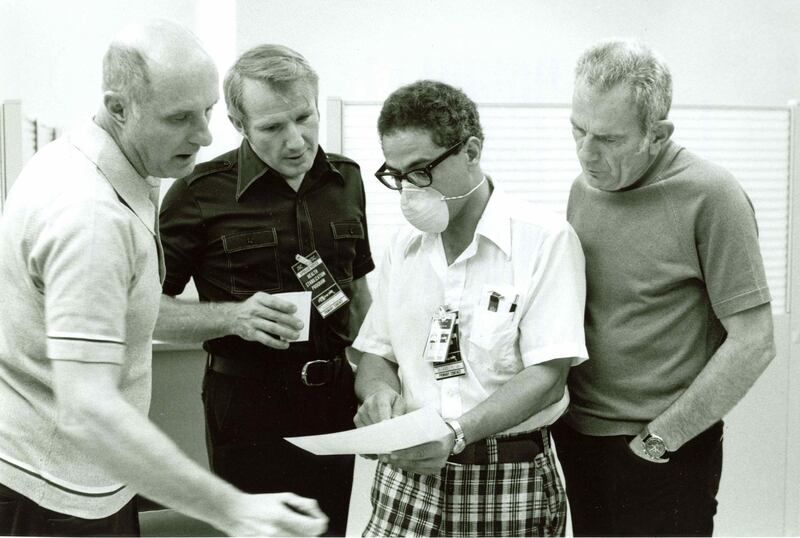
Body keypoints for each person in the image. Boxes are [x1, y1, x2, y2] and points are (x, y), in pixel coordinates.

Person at [0, 20, 327, 537]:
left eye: (207, 112)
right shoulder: (90, 215)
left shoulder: (102, 166)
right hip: (52, 488)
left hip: (89, 472)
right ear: (118, 108)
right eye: (179, 118)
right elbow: (87, 410)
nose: (203, 135)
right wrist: (232, 509)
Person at [551, 38, 776, 537]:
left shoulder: (713, 196)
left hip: (660, 448)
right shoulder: (582, 188)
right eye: (578, 129)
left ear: (657, 133)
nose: (587, 153)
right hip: (578, 438)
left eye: (608, 139)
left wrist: (660, 440)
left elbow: (755, 341)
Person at [351, 79, 588, 537]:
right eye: (396, 176)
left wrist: (456, 434)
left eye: (421, 171)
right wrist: (378, 396)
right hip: (407, 482)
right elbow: (376, 355)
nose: (408, 191)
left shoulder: (544, 240)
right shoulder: (404, 246)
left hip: (507, 480)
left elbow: (547, 376)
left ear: (472, 151)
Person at [156, 44, 373, 537]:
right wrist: (232, 318)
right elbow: (142, 312)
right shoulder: (197, 193)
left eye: (305, 117)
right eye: (273, 127)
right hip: (249, 408)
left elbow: (359, 297)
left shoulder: (348, 180)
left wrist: (382, 377)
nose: (296, 141)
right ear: (237, 123)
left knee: (341, 530)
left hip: (339, 398)